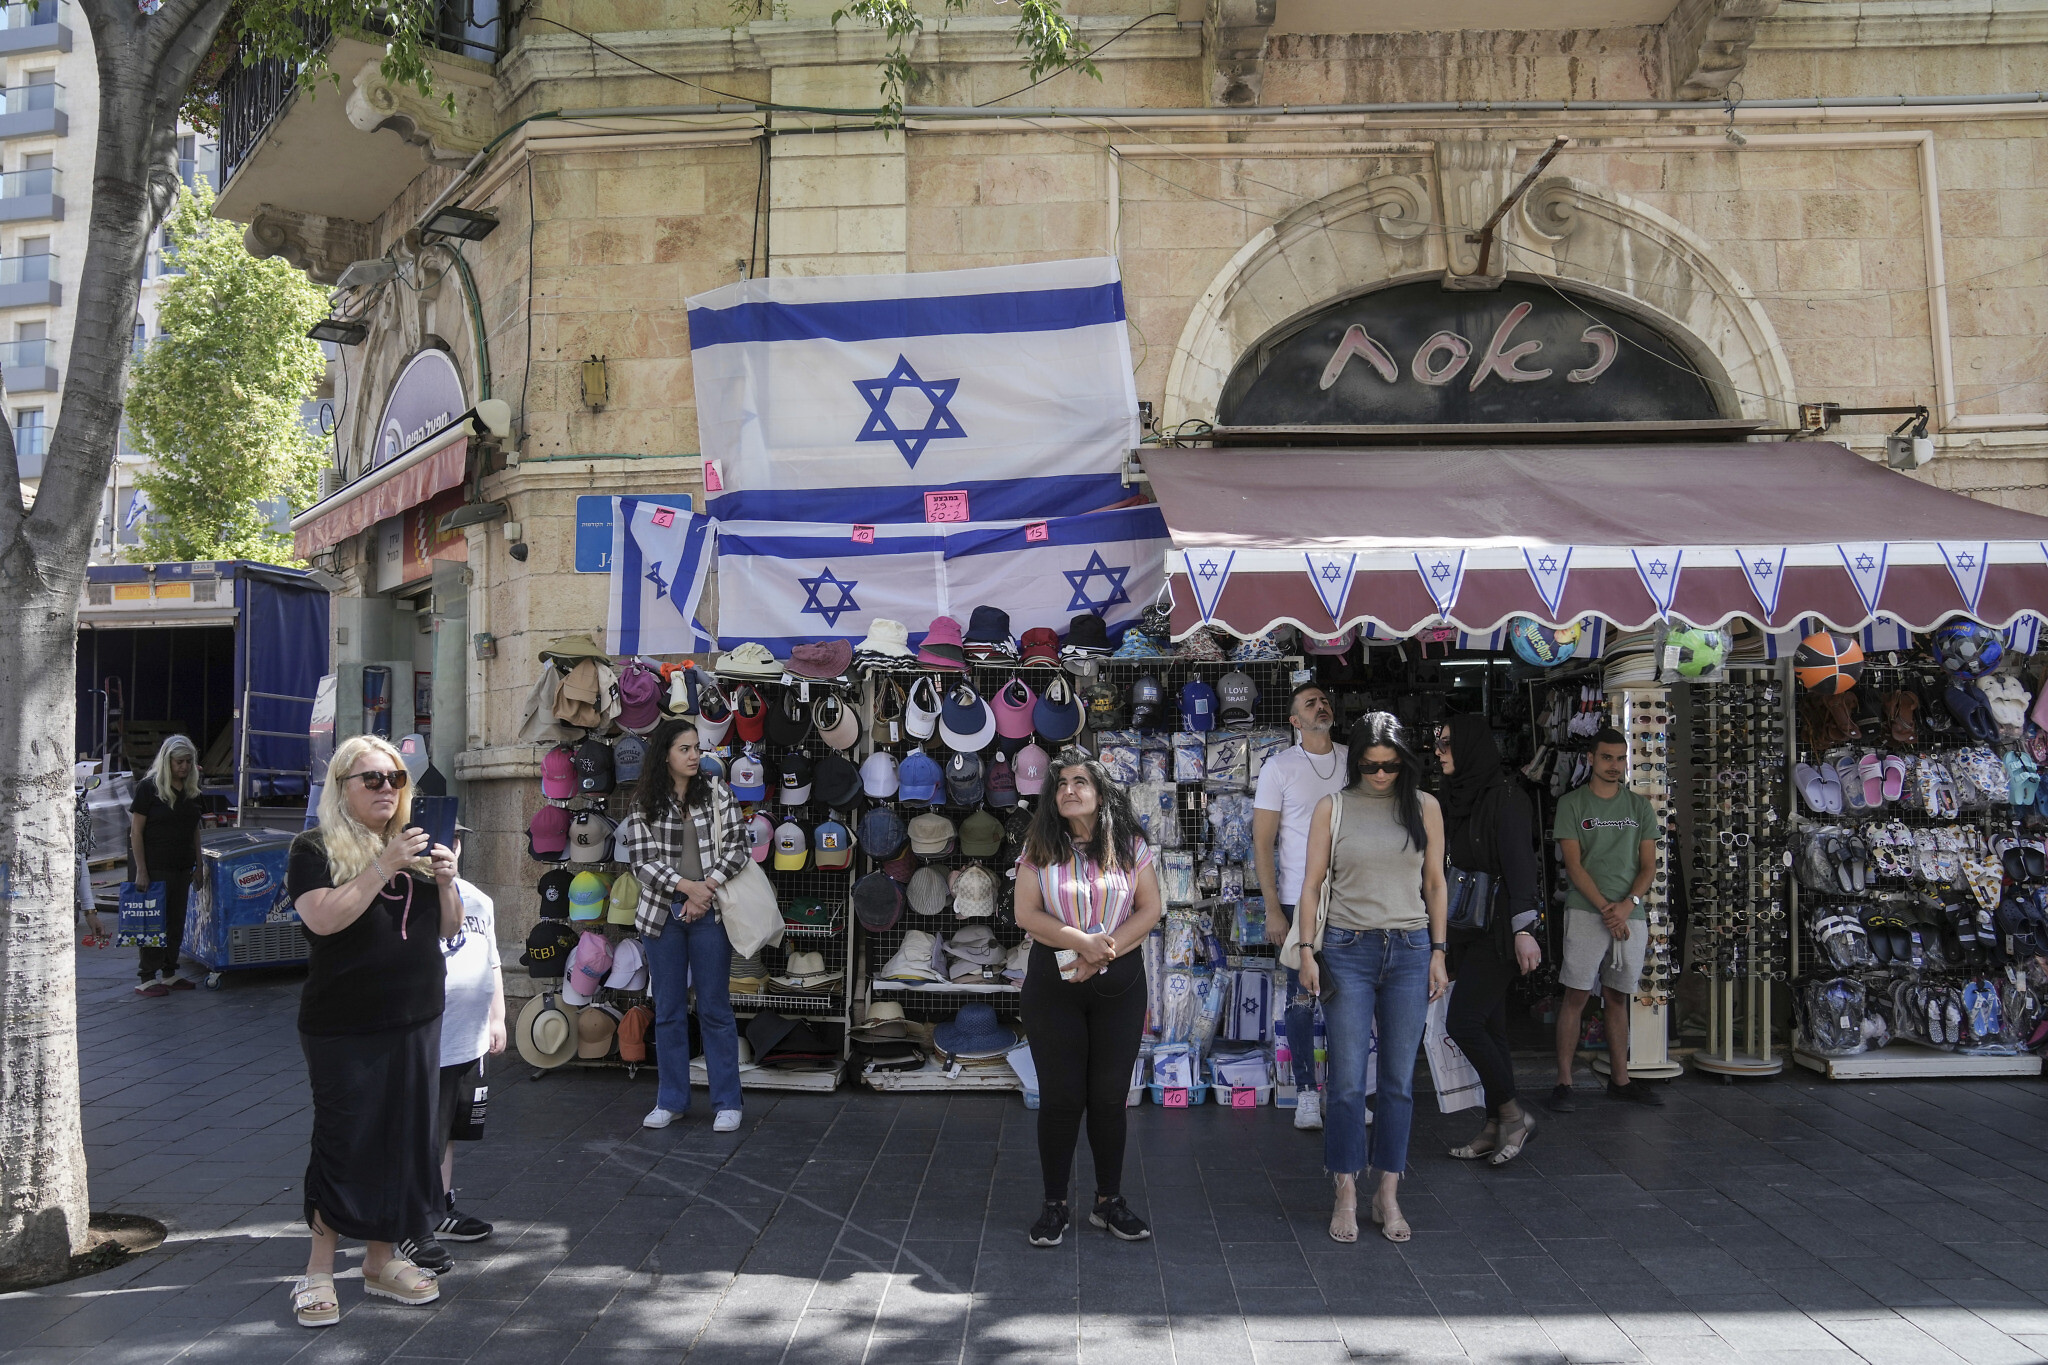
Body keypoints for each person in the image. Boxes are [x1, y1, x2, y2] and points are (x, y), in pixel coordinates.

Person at [286, 735, 463, 1328]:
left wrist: (445, 880)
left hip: (416, 1016)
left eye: (396, 778)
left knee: (405, 1140)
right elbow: (322, 919)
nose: (389, 788)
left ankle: (381, 1261)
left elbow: (446, 930)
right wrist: (382, 867)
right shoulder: (312, 848)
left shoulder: (414, 844)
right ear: (343, 788)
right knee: (346, 1140)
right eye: (374, 779)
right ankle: (317, 1269)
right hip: (344, 1022)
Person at [1296, 713, 1447, 1245]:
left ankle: (1388, 1190)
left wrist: (1438, 951)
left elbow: (1435, 884)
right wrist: (1309, 950)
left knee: (1400, 1083)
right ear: (1354, 760)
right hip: (1345, 950)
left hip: (1408, 949)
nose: (1381, 774)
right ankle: (1345, 1189)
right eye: (1369, 765)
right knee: (1345, 1082)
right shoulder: (1332, 808)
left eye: (1390, 765)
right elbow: (1311, 885)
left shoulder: (1425, 806)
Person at [1012, 749, 1164, 1248]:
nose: (1069, 790)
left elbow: (1151, 908)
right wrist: (1082, 943)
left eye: (1081, 782)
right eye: (1060, 784)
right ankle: (1054, 1204)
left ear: (1100, 795)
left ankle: (1108, 1201)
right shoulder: (1038, 847)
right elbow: (1026, 915)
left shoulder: (1130, 844)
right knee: (1060, 1098)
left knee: (1107, 1099)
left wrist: (1102, 954)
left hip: (1118, 984)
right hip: (1053, 986)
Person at [615, 717, 752, 1133]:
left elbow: (738, 846)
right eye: (685, 749)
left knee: (715, 1008)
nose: (695, 756)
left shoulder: (715, 792)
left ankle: (728, 1101)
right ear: (666, 756)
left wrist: (704, 888)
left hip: (709, 911)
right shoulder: (644, 803)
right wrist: (687, 888)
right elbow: (642, 861)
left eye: (696, 748)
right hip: (662, 915)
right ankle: (671, 1100)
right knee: (669, 1010)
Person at [1434, 716, 1544, 1166]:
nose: (1438, 750)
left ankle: (1514, 1115)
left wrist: (1525, 931)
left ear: (1470, 747)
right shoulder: (1455, 800)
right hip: (1465, 930)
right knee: (1492, 1028)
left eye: (1446, 742)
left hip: (1499, 933)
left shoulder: (1506, 800)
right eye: (1436, 742)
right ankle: (1496, 1123)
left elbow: (1522, 868)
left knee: (1463, 1023)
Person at [398, 824, 504, 1276]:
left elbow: (491, 958)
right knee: (419, 1133)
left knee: (448, 1131)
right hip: (427, 1040)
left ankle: (440, 1207)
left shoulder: (479, 899)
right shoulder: (410, 896)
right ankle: (410, 1220)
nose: (447, 846)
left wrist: (497, 1017)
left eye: (454, 838)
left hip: (468, 1038)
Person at [1252, 683, 1349, 1132]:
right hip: (1297, 897)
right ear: (1294, 721)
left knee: (1348, 996)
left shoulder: (1354, 759)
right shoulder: (1279, 767)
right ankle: (1307, 1094)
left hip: (1351, 895)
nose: (1321, 706)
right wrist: (1273, 908)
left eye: (1324, 700)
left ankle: (1345, 1095)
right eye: (1310, 703)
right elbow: (1263, 843)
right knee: (1301, 998)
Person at [1550, 727, 1663, 1110]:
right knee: (1576, 995)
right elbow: (1573, 866)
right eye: (1607, 758)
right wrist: (1606, 909)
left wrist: (1628, 905)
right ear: (1591, 759)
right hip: (1587, 911)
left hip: (1630, 913)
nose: (1615, 765)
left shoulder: (1639, 807)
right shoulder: (1572, 804)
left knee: (1617, 997)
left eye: (1620, 758)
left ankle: (1620, 1079)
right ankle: (1564, 1082)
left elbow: (1648, 866)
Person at [128, 735, 203, 995]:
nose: (184, 767)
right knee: (152, 922)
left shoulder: (191, 790)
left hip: (182, 866)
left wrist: (200, 865)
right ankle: (147, 976)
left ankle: (170, 971)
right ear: (167, 761)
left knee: (175, 921)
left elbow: (195, 829)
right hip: (154, 866)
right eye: (179, 762)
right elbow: (136, 832)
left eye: (188, 762)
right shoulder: (149, 788)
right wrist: (141, 870)